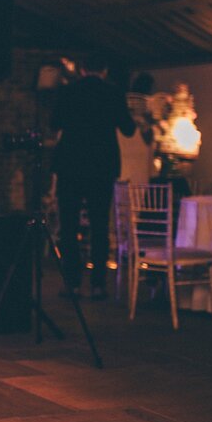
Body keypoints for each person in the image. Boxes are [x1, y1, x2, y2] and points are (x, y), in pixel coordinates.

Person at [51, 55, 136, 300]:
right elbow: (128, 130)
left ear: (82, 68)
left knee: (69, 226)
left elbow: (54, 122)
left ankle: (72, 283)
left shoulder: (69, 91)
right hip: (102, 166)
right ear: (105, 69)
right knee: (100, 225)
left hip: (70, 164)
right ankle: (98, 284)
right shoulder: (113, 92)